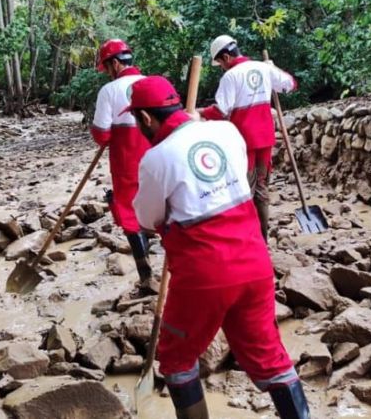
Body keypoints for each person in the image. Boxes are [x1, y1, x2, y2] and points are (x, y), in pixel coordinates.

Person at [129, 76, 309, 419]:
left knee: (177, 359)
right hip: (255, 264)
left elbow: (147, 218)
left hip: (202, 275)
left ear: (146, 119)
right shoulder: (226, 132)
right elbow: (237, 181)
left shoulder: (155, 159)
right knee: (269, 355)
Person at [197, 35, 296, 240]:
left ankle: (248, 237)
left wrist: (200, 113)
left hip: (243, 142)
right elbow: (290, 84)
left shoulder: (231, 77)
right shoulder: (263, 68)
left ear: (226, 57)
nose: (222, 68)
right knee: (261, 186)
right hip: (265, 137)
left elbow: (220, 111)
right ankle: (263, 237)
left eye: (221, 63)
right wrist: (274, 68)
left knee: (243, 189)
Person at [90, 39, 155, 290]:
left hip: (126, 161)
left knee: (129, 215)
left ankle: (146, 276)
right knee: (160, 209)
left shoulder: (110, 91)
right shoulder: (151, 84)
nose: (107, 73)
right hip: (156, 158)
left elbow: (102, 135)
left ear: (115, 64)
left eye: (107, 68)